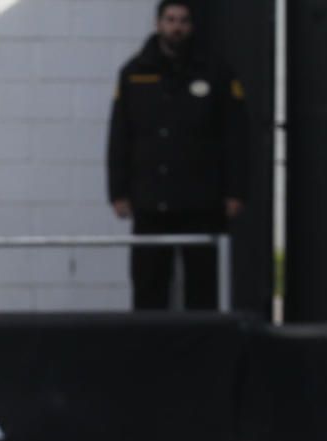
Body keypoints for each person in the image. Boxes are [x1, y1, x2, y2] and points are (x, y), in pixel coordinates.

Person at [107, 0, 247, 310]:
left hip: (202, 201)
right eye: (170, 20)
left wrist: (235, 190)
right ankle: (147, 349)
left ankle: (202, 352)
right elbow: (120, 137)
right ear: (158, 24)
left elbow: (235, 136)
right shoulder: (134, 74)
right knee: (148, 285)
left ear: (192, 26)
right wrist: (118, 191)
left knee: (203, 287)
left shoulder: (217, 72)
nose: (176, 27)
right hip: (150, 200)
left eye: (183, 21)